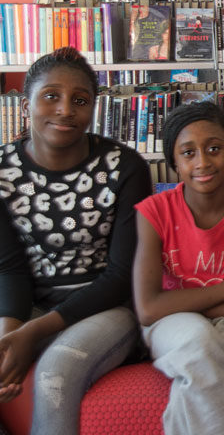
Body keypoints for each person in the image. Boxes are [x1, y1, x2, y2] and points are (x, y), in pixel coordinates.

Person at [0, 48, 151, 435]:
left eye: (80, 100)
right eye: (51, 96)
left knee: (56, 372)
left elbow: (121, 275)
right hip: (28, 305)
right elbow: (9, 268)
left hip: (106, 310)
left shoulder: (125, 166)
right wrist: (9, 336)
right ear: (25, 104)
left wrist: (32, 334)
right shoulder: (3, 171)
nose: (66, 109)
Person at [132, 101, 224, 435]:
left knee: (199, 370)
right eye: (188, 153)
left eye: (214, 149)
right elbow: (148, 309)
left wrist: (185, 299)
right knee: (198, 343)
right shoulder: (153, 212)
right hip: (173, 324)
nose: (202, 162)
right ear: (173, 161)